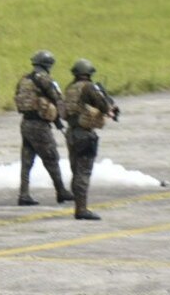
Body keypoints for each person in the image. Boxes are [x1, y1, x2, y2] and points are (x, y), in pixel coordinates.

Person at [61, 57, 119, 220]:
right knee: (83, 172)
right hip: (85, 134)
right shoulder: (89, 88)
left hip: (71, 133)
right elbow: (104, 105)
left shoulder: (70, 88)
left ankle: (79, 205)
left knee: (75, 170)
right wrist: (110, 107)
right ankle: (81, 209)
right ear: (88, 74)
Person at [13, 49, 73, 206]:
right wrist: (60, 119)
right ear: (48, 65)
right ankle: (61, 191)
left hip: (25, 123)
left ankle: (24, 194)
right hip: (40, 125)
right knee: (51, 158)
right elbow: (57, 99)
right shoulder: (45, 79)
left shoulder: (24, 79)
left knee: (26, 161)